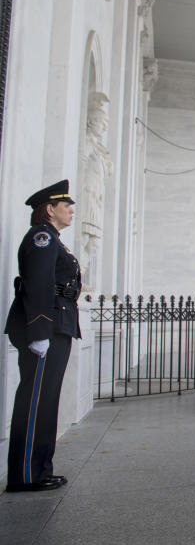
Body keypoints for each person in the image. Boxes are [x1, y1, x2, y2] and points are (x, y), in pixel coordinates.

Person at [5, 180, 81, 492]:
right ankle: (25, 474)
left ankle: (40, 469)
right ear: (50, 209)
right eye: (66, 206)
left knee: (46, 402)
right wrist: (39, 331)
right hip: (45, 328)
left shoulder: (53, 240)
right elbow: (37, 285)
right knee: (35, 402)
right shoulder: (42, 238)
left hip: (56, 326)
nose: (72, 211)